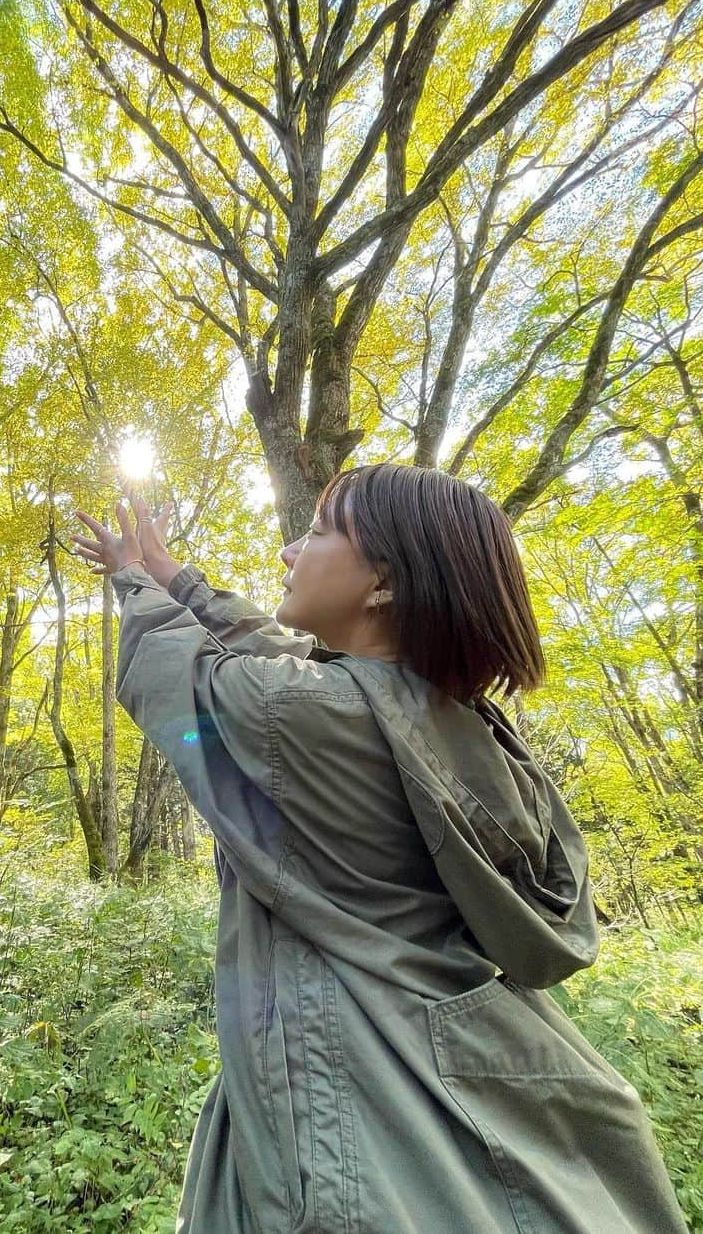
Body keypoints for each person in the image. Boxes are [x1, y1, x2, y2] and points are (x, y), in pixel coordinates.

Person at [72, 462, 687, 1234]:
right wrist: (179, 578)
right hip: (477, 1052)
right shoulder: (450, 717)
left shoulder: (299, 713)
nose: (290, 553)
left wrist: (137, 584)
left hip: (344, 1088)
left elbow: (184, 681)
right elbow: (292, 666)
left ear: (384, 584)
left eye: (320, 532)